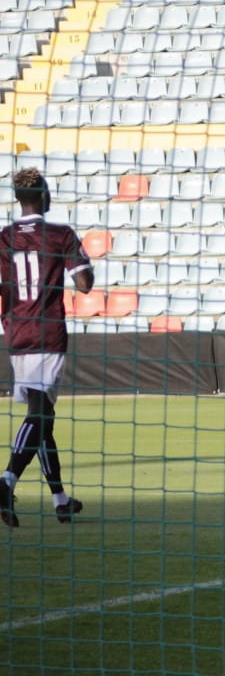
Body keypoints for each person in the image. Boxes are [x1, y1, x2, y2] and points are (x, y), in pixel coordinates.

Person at [0, 168, 94, 527]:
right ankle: (6, 480)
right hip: (47, 331)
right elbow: (84, 284)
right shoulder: (59, 234)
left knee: (44, 419)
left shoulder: (4, 237)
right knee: (40, 413)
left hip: (15, 332)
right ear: (43, 195)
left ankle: (61, 500)